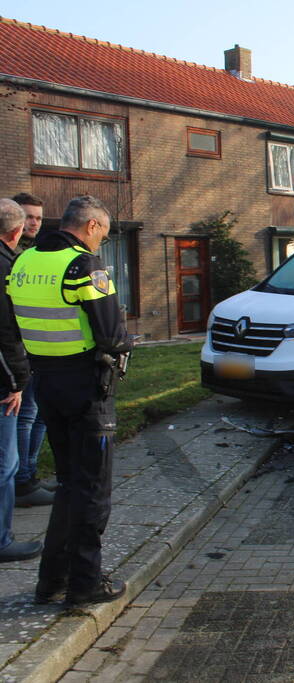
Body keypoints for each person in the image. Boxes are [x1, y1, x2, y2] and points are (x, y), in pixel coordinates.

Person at [8, 195, 132, 604]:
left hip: (46, 382)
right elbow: (111, 336)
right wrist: (125, 342)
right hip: (86, 388)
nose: (101, 243)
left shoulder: (24, 261)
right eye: (103, 235)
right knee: (92, 488)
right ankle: (86, 583)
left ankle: (52, 580)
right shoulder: (84, 266)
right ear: (92, 226)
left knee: (67, 484)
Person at [0, 199, 42, 563]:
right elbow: (5, 333)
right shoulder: (5, 267)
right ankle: (1, 540)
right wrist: (15, 382)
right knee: (5, 463)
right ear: (15, 231)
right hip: (4, 382)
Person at [10, 193, 53, 508]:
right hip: (18, 352)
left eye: (38, 218)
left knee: (38, 414)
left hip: (39, 349)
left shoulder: (34, 253)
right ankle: (22, 482)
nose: (33, 223)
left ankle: (30, 474)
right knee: (26, 415)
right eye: (28, 217)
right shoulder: (11, 257)